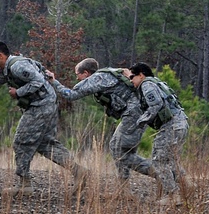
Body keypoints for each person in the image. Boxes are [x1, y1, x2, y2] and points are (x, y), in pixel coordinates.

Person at [0, 42, 87, 197]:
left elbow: (38, 81)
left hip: (41, 106)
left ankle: (25, 185)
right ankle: (79, 171)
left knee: (20, 141)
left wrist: (18, 92)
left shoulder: (17, 67)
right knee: (44, 144)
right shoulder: (7, 70)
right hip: (45, 104)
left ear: (1, 56)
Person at [46, 58, 154, 186]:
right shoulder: (109, 72)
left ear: (86, 73)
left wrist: (53, 81)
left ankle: (158, 173)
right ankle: (125, 187)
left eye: (78, 75)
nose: (77, 78)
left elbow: (71, 95)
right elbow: (126, 75)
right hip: (138, 113)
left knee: (118, 149)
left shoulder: (96, 79)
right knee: (120, 150)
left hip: (133, 114)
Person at [126, 62, 189, 205]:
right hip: (181, 123)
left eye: (132, 77)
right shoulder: (157, 83)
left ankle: (173, 195)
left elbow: (156, 104)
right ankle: (187, 187)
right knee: (172, 160)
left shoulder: (146, 85)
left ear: (141, 75)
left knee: (159, 159)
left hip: (171, 125)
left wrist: (141, 121)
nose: (131, 81)